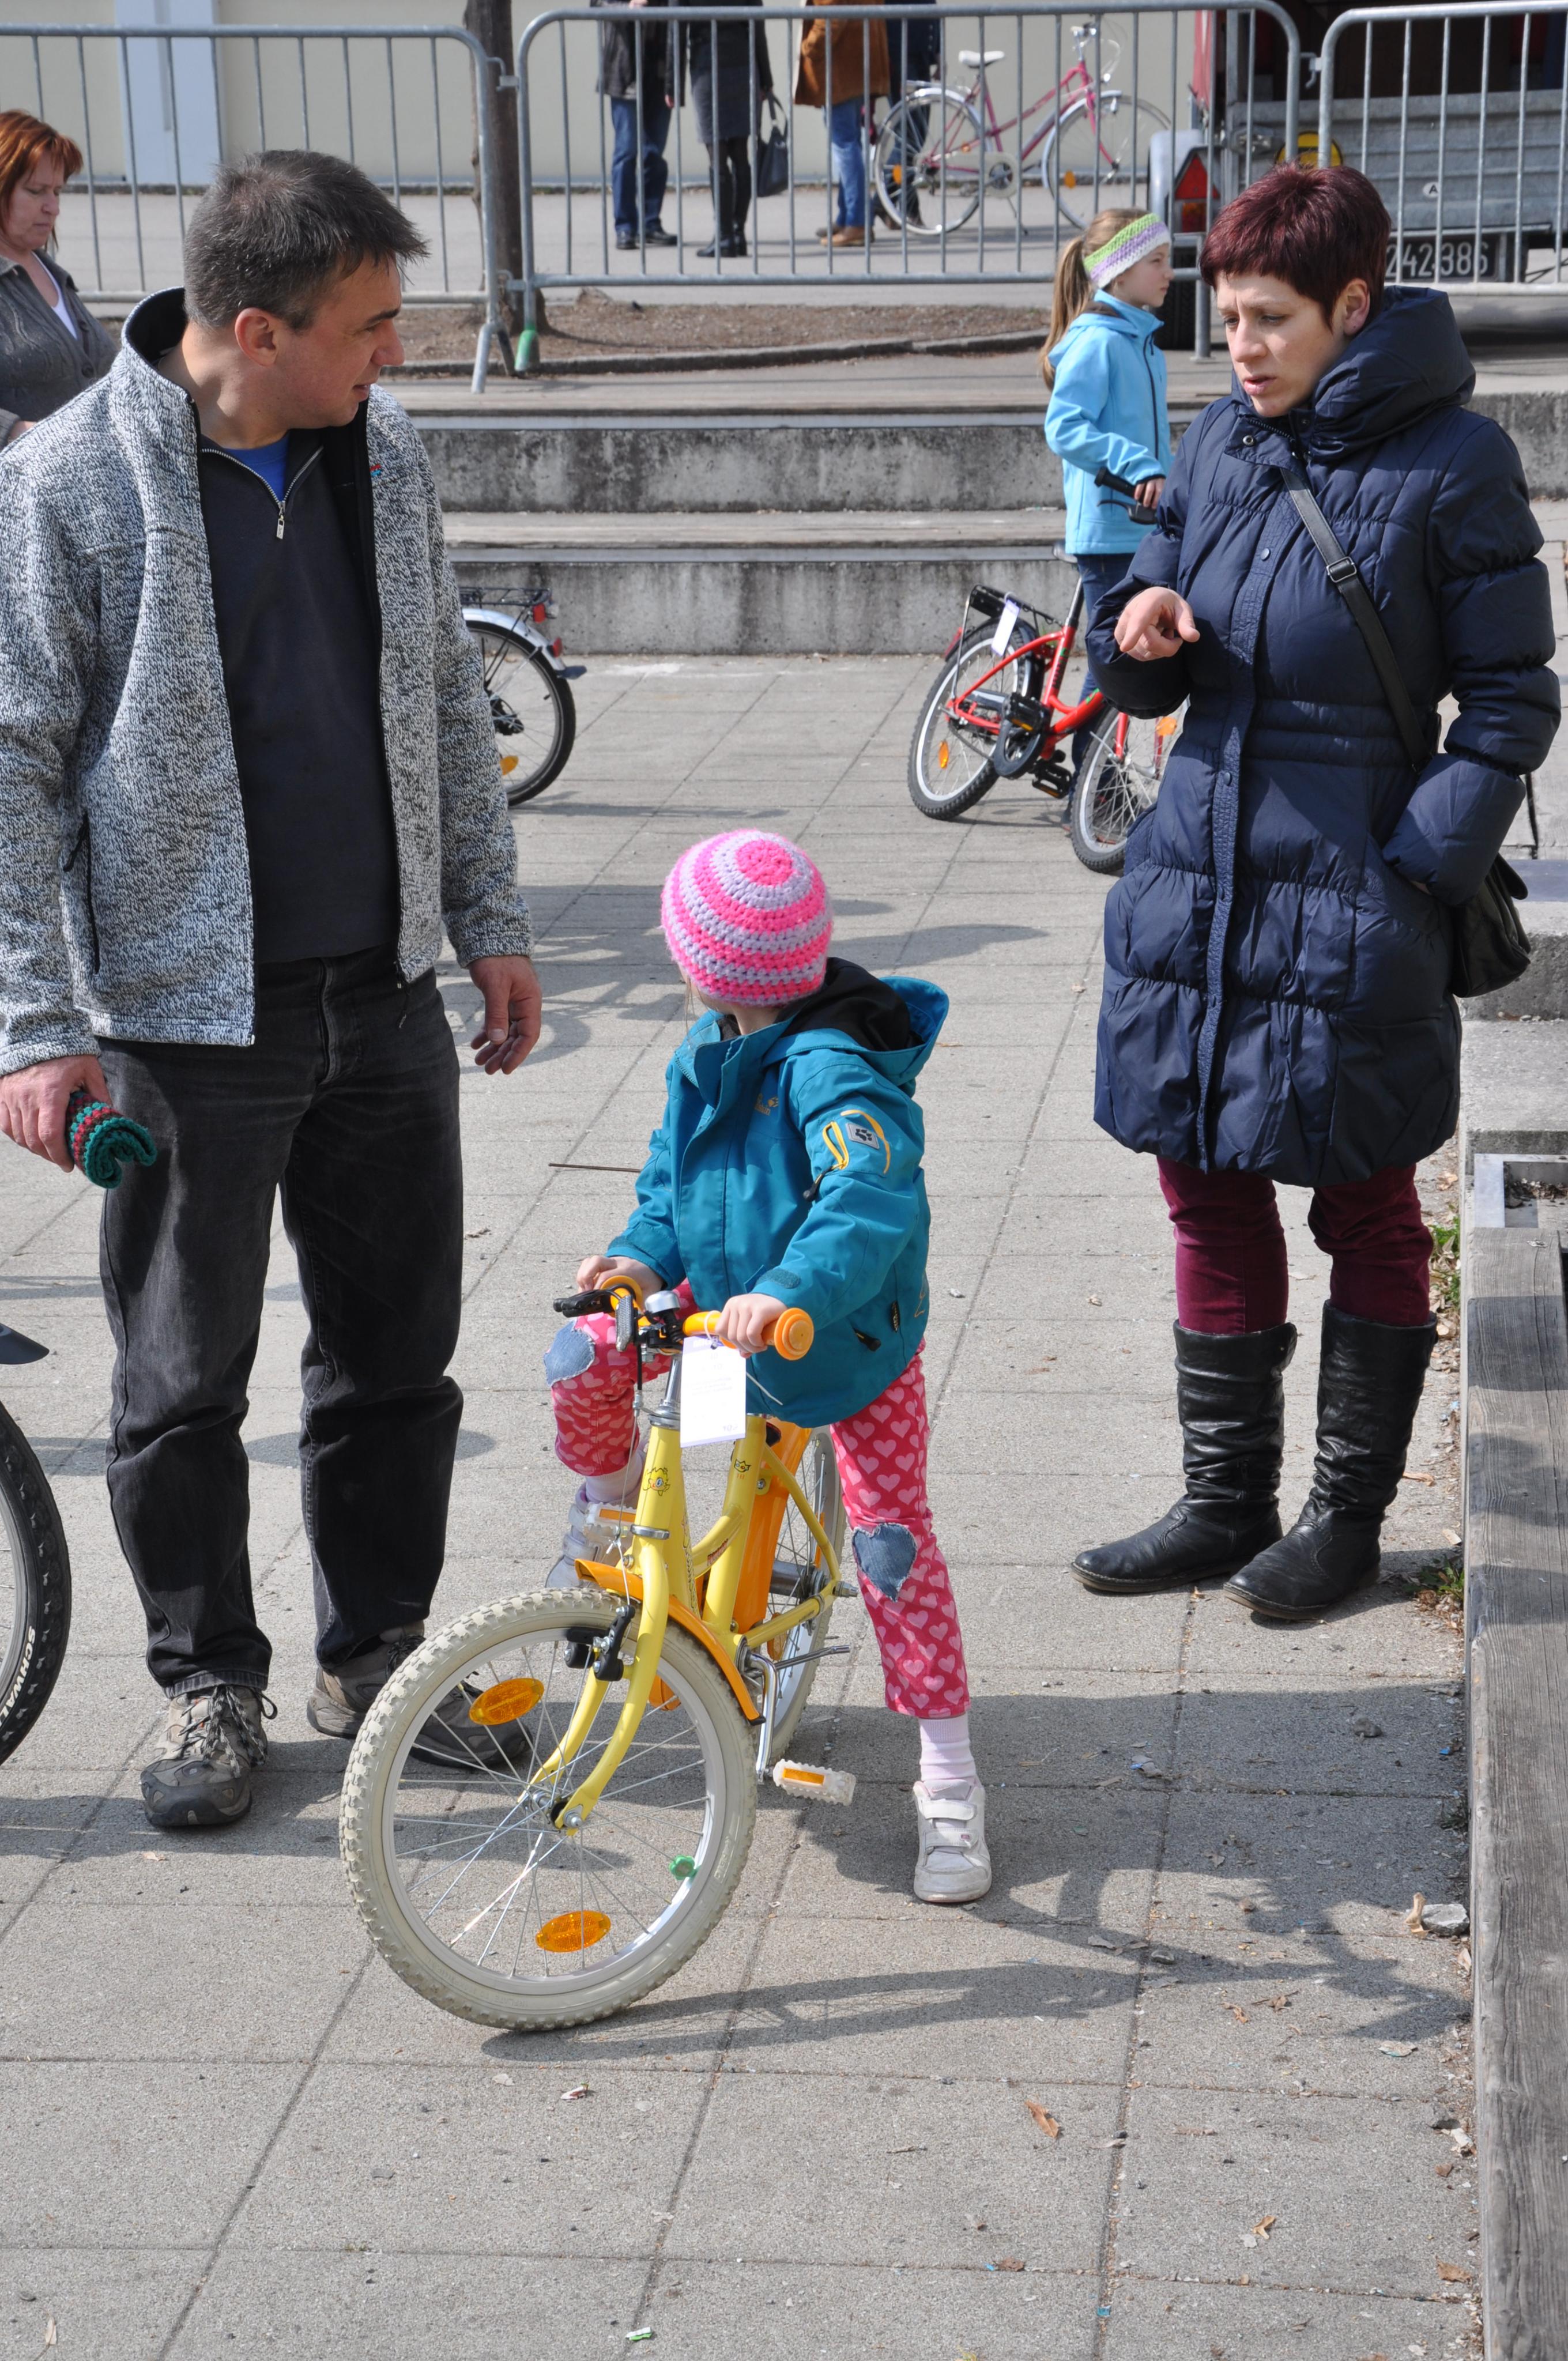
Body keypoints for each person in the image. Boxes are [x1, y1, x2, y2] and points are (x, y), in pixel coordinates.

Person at [0, 150, 542, 1829]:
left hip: (381, 998)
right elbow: (11, 763)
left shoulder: (383, 448)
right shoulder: (67, 483)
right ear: (258, 331)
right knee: (180, 1385)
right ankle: (207, 1686)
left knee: (395, 1364)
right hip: (183, 1024)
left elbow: (443, 689)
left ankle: (377, 1663)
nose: (395, 350)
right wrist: (34, 1028)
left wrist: (487, 913)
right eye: (369, 324)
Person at [1072, 164, 1558, 1621]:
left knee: (1363, 1199)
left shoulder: (1455, 464)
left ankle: (1342, 1521)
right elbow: (1139, 619)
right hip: (1195, 888)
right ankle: (1222, 1501)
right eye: (1225, 317)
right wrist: (1136, 630)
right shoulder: (1219, 438)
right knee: (1203, 1183)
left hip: (1354, 899)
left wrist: (1415, 867)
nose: (1240, 345)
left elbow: (1511, 701)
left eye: (1270, 318)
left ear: (1353, 306)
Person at [541, 830, 991, 1904]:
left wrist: (789, 1291)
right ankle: (605, 1512)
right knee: (586, 1349)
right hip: (721, 1319)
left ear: (705, 959)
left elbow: (868, 1200)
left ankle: (949, 1778)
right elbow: (668, 1184)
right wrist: (640, 1256)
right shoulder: (706, 1049)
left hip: (841, 1338)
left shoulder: (833, 1068)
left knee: (890, 1543)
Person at [1043, 209, 1173, 766]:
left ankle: (1097, 778)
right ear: (1118, 274)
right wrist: (1138, 465)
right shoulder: (1098, 341)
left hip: (1141, 526)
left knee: (1126, 654)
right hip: (1108, 529)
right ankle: (1092, 785)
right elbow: (1064, 428)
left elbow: (1152, 444)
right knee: (1115, 659)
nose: (1170, 272)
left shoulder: (1143, 343)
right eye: (1157, 261)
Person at [0, 109, 116, 447]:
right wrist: (20, 432)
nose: (53, 207)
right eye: (36, 191)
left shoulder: (49, 271)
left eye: (57, 191)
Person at [796, 0, 890, 248]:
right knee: (850, 143)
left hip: (841, 66)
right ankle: (848, 217)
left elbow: (833, 14)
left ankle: (857, 223)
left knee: (845, 145)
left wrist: (810, 46)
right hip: (854, 60)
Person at [685, 0, 774, 258]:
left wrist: (672, 83)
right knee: (739, 153)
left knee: (718, 153)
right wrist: (766, 78)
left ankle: (725, 236)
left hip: (707, 62)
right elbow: (758, 25)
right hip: (742, 61)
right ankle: (736, 234)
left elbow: (675, 27)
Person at [594, 0, 677, 252]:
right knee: (627, 152)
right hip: (624, 73)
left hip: (660, 73)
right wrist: (629, 7)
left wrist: (675, 81)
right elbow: (598, 4)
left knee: (654, 153)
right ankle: (625, 227)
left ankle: (650, 223)